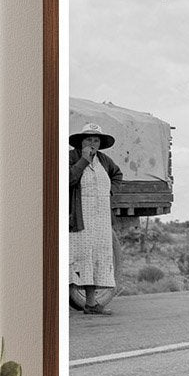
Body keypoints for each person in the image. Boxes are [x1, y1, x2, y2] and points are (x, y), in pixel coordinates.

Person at [69, 121, 122, 314]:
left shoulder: (104, 160)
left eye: (96, 140)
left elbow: (117, 175)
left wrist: (110, 191)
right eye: (89, 140)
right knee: (79, 258)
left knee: (96, 259)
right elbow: (67, 179)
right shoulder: (72, 157)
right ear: (81, 142)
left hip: (100, 219)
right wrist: (83, 160)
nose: (93, 144)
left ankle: (91, 304)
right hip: (80, 218)